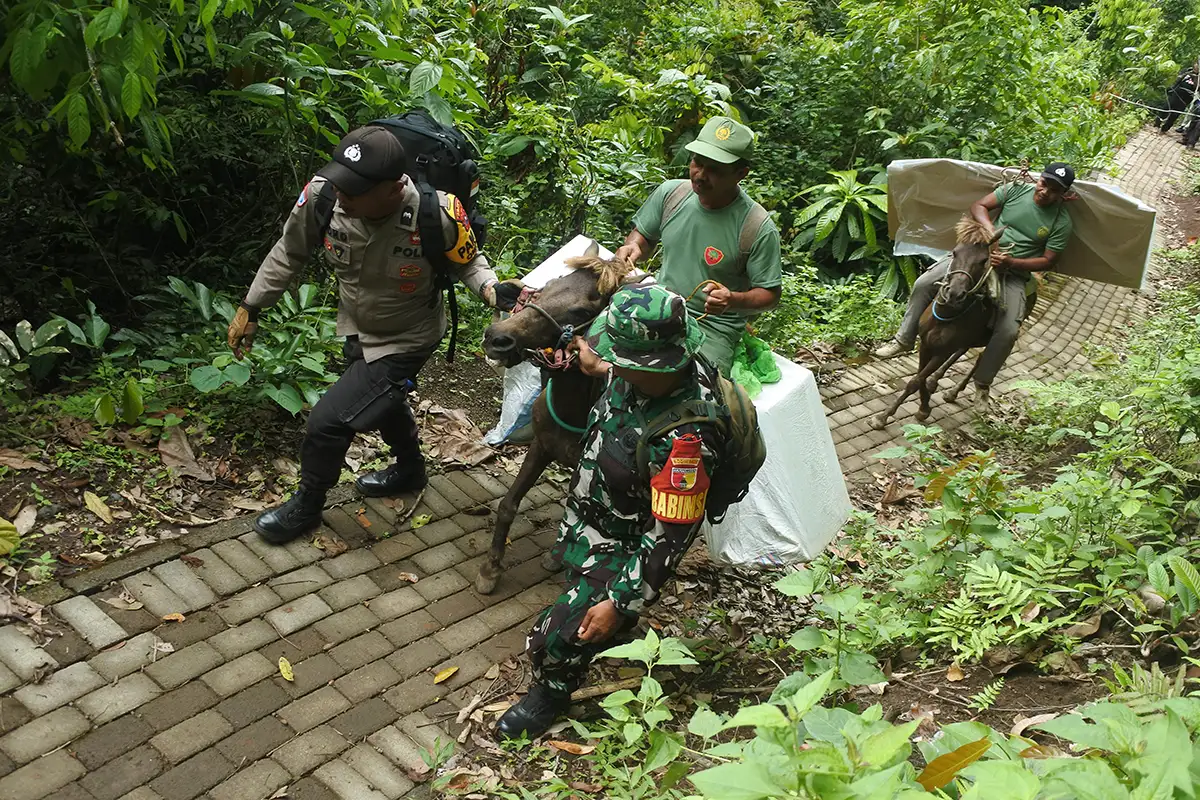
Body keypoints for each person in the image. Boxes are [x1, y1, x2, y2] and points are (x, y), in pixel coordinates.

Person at [227, 125, 521, 544]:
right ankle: (410, 470)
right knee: (381, 401)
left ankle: (308, 505)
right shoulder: (324, 196)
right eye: (341, 182)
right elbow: (289, 251)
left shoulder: (435, 213)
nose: (342, 194)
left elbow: (469, 262)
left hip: (410, 335)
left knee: (330, 422)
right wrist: (250, 306)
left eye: (355, 189)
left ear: (392, 187)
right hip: (359, 326)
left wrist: (494, 291)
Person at [495, 284, 720, 739]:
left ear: (648, 362)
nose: (606, 359)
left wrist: (620, 603)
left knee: (552, 641)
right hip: (591, 514)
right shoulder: (638, 371)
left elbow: (670, 538)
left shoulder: (687, 442)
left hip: (626, 543)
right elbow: (601, 361)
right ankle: (596, 613)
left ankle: (551, 692)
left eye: (618, 355)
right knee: (577, 594)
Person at [874, 163, 1076, 411]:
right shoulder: (1016, 190)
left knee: (1009, 330)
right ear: (1039, 180)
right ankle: (904, 338)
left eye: (1055, 190)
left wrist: (1012, 261)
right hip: (977, 254)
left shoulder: (1061, 221)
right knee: (924, 283)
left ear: (1063, 194)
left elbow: (1048, 260)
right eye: (1045, 184)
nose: (1046, 192)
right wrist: (988, 230)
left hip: (1012, 272)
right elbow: (978, 206)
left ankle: (982, 382)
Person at [612, 117, 782, 377]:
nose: (700, 175)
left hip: (712, 327)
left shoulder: (756, 227)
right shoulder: (672, 194)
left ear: (741, 174)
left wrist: (732, 300)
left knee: (689, 384)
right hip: (659, 304)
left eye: (714, 170)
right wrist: (633, 247)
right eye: (697, 163)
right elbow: (642, 237)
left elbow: (770, 295)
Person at [1160, 65, 1197, 134]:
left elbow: (1197, 88)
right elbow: (1178, 80)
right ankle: (1157, 123)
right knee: (1165, 108)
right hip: (1176, 93)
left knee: (1175, 114)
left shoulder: (1198, 77)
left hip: (1186, 99)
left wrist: (1195, 77)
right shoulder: (1187, 71)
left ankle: (1164, 129)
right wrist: (1172, 88)